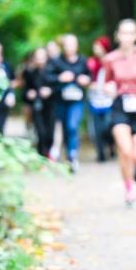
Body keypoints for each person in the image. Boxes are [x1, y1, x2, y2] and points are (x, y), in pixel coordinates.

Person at [104, 19, 136, 207]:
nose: (127, 37)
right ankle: (129, 188)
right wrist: (109, 88)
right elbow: (107, 81)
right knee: (125, 150)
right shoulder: (110, 59)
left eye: (131, 33)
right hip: (120, 105)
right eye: (123, 33)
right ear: (118, 35)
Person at [52, 34, 91, 173]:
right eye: (67, 45)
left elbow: (90, 76)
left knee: (72, 126)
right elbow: (46, 77)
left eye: (72, 44)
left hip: (77, 101)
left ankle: (72, 155)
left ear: (76, 46)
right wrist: (59, 78)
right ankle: (67, 154)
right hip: (60, 101)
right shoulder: (56, 62)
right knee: (64, 128)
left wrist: (85, 80)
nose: (69, 47)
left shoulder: (83, 61)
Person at [22, 47, 57, 158]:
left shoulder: (53, 71)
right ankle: (41, 155)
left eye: (42, 57)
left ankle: (48, 153)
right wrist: (29, 93)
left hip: (51, 106)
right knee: (41, 132)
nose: (40, 60)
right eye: (37, 57)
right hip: (37, 106)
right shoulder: (29, 73)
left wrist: (50, 91)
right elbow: (24, 92)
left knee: (50, 134)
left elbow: (58, 88)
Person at [86, 36, 115, 162]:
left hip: (110, 99)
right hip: (95, 100)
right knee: (96, 129)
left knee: (108, 126)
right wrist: (89, 84)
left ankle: (111, 146)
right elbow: (85, 77)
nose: (96, 49)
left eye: (98, 46)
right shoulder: (91, 63)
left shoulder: (112, 61)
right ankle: (101, 153)